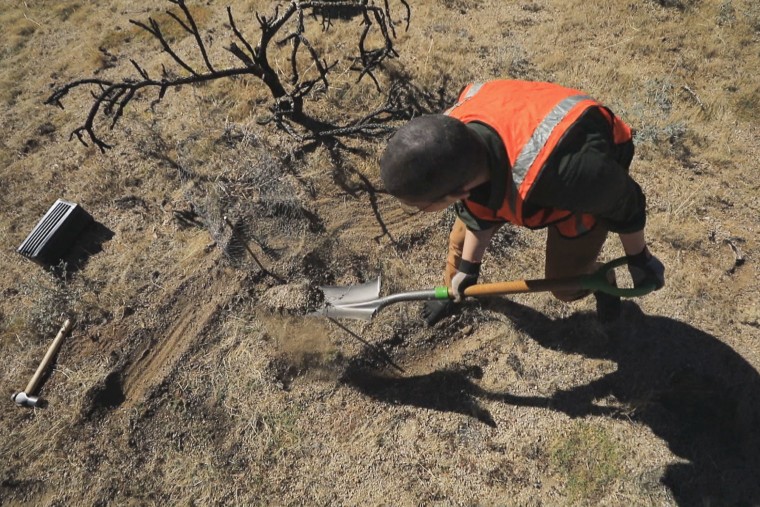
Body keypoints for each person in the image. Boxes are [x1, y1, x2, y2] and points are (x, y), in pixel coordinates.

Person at [379, 80, 665, 325]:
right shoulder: (452, 139)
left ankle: (601, 278)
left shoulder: (575, 176)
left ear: (455, 193)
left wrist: (639, 259)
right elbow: (478, 209)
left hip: (574, 169)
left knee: (565, 286)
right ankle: (456, 289)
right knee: (461, 241)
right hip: (520, 144)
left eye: (419, 206)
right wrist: (469, 268)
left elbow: (627, 203)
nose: (418, 210)